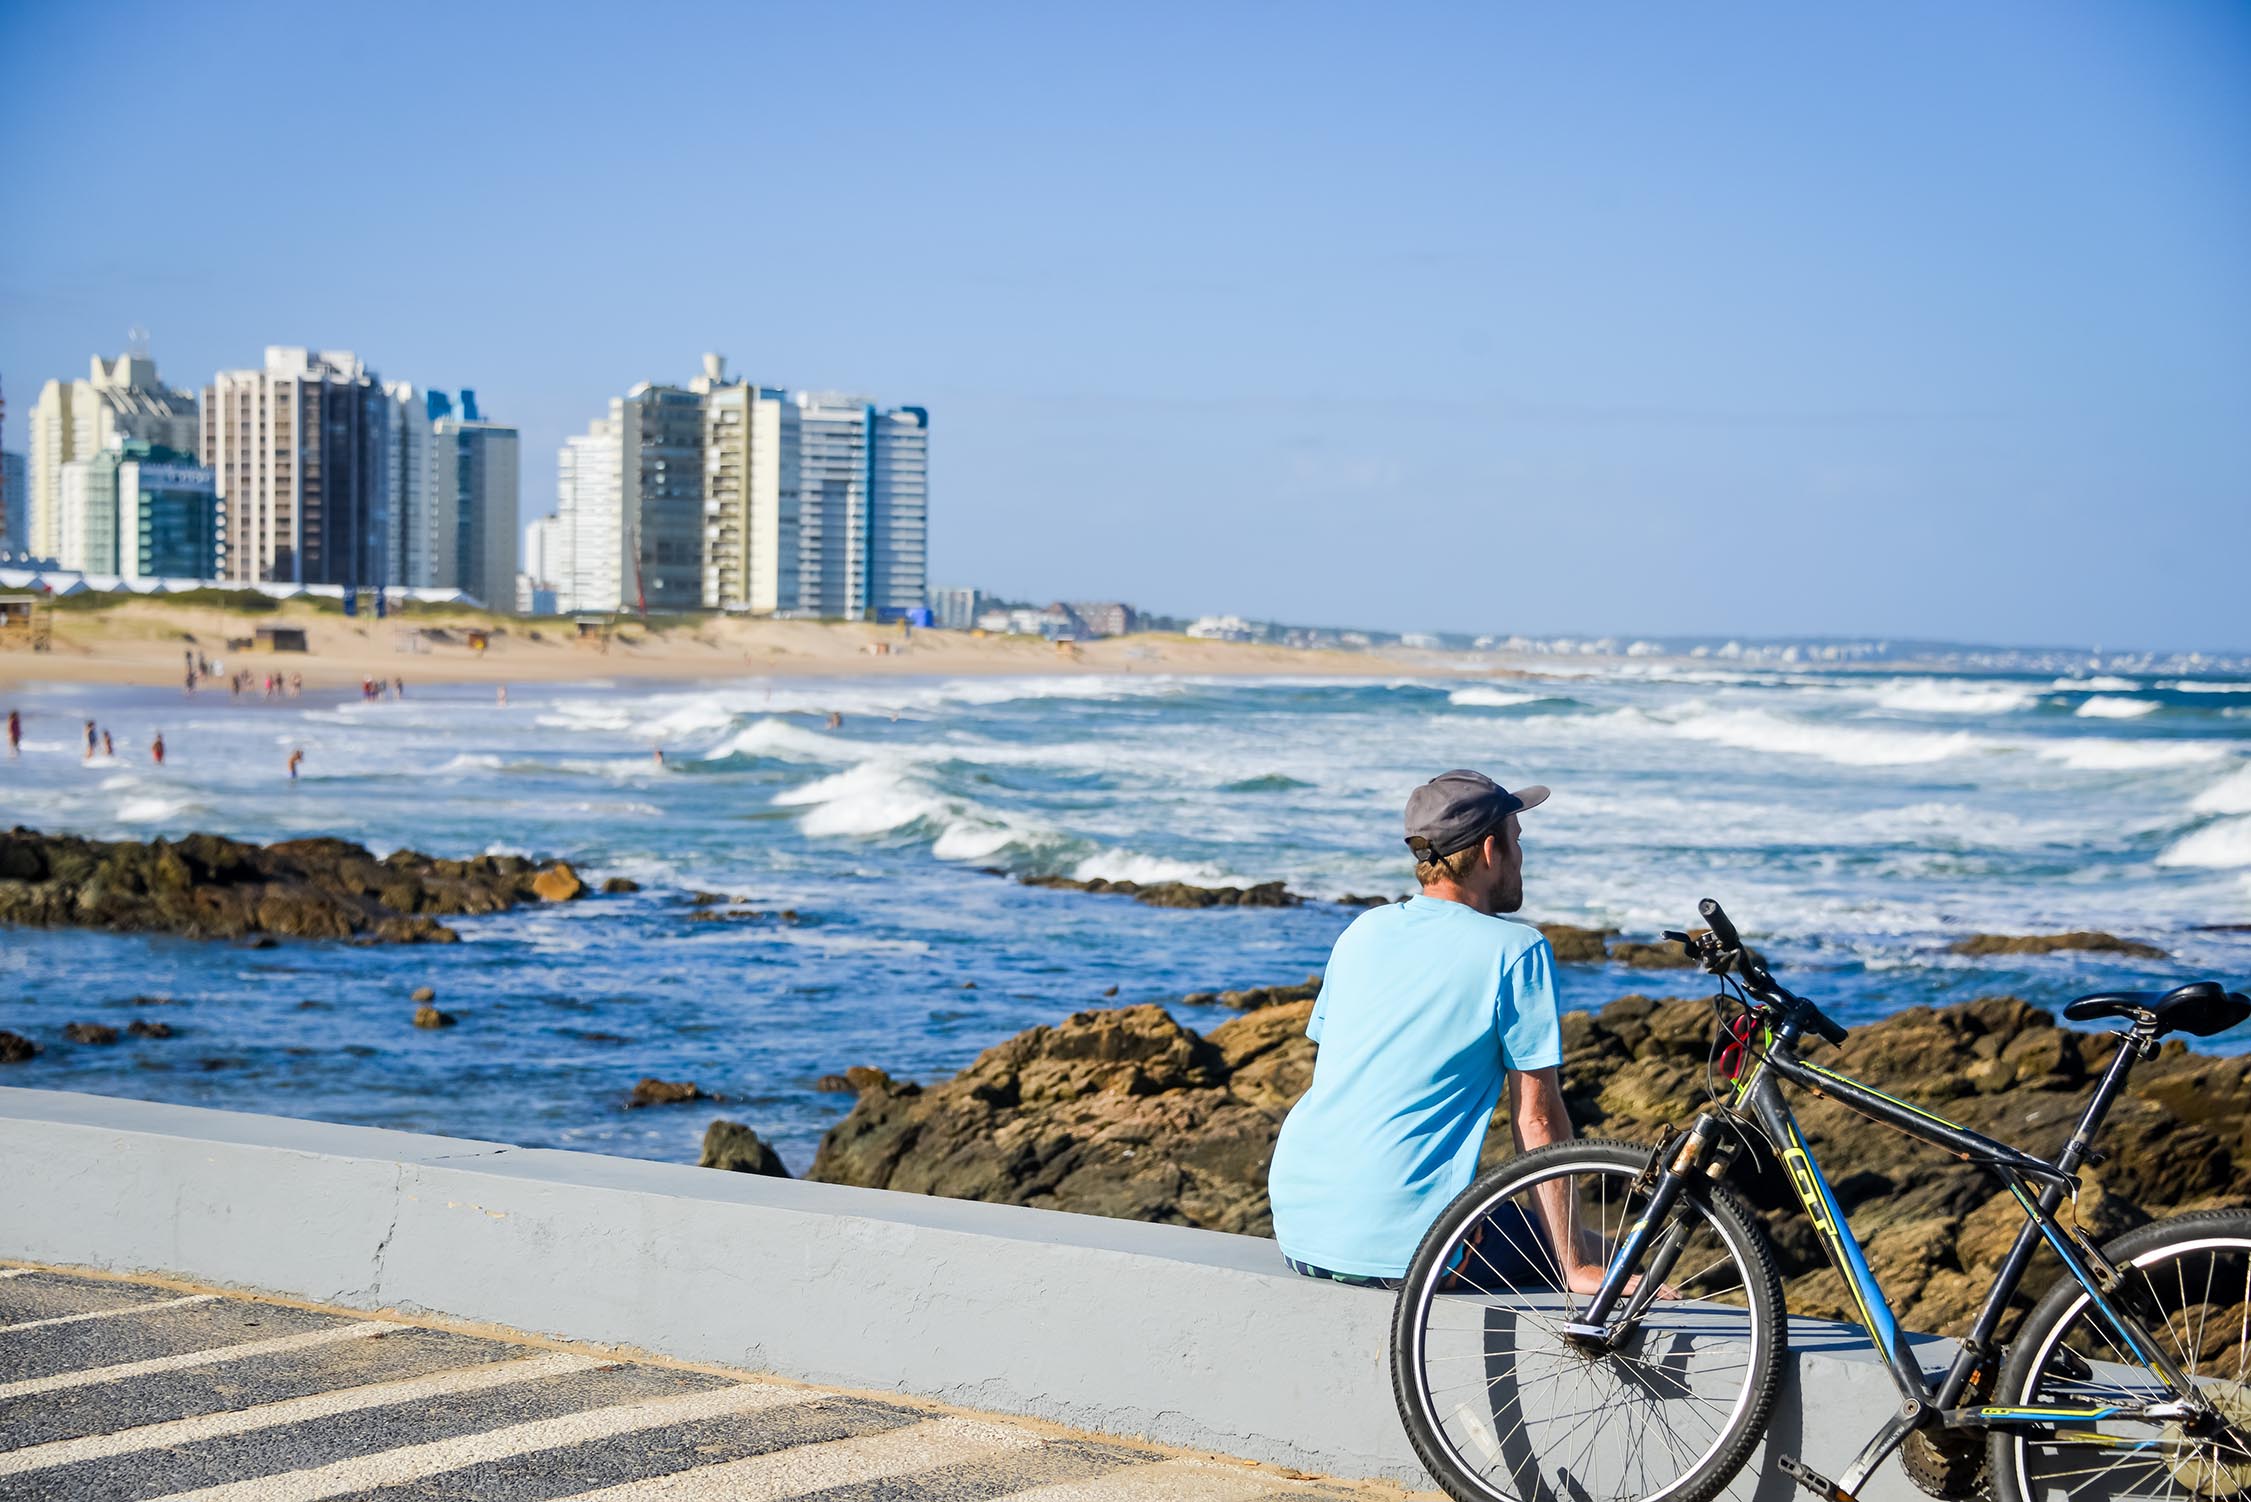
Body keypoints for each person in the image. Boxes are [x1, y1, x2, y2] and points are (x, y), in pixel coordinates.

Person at [1267, 769, 1597, 1291]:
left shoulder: (1361, 930)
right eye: (1517, 840)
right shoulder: (1516, 950)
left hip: (1301, 1224)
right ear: (1491, 851)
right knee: (1610, 1253)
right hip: (1407, 1248)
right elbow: (1537, 1120)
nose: (1521, 856)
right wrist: (1575, 1264)